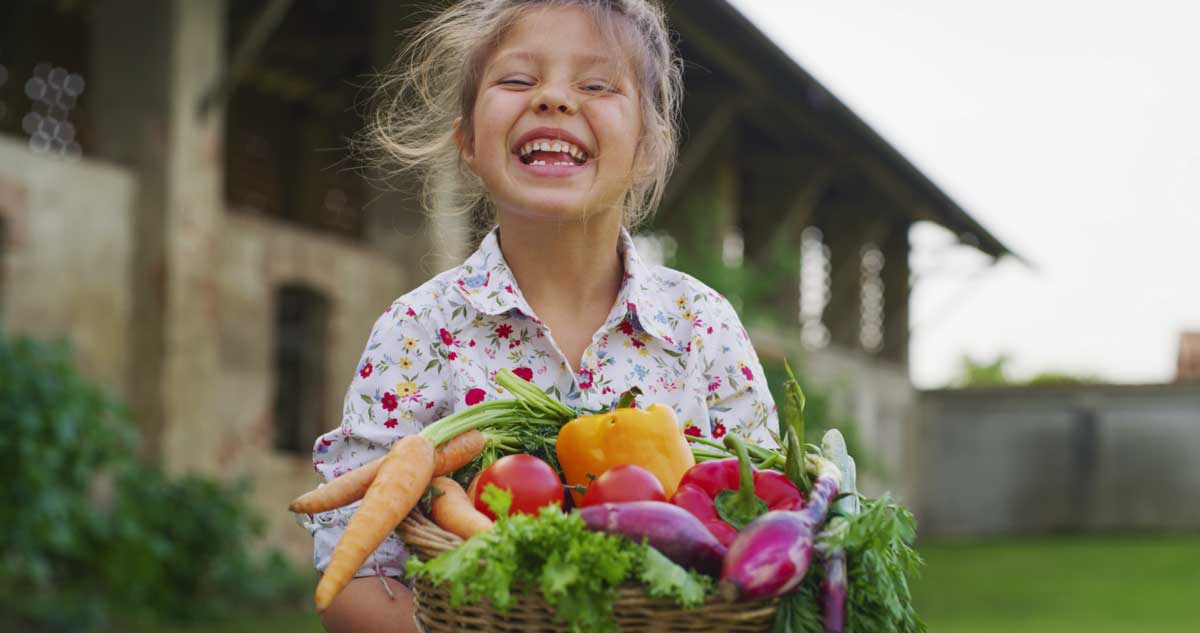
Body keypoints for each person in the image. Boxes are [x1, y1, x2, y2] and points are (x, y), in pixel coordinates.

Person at [304, 1, 777, 631]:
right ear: (467, 139)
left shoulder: (703, 326)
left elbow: (770, 525)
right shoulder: (418, 329)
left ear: (649, 147)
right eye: (518, 80)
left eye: (597, 84)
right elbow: (354, 574)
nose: (553, 98)